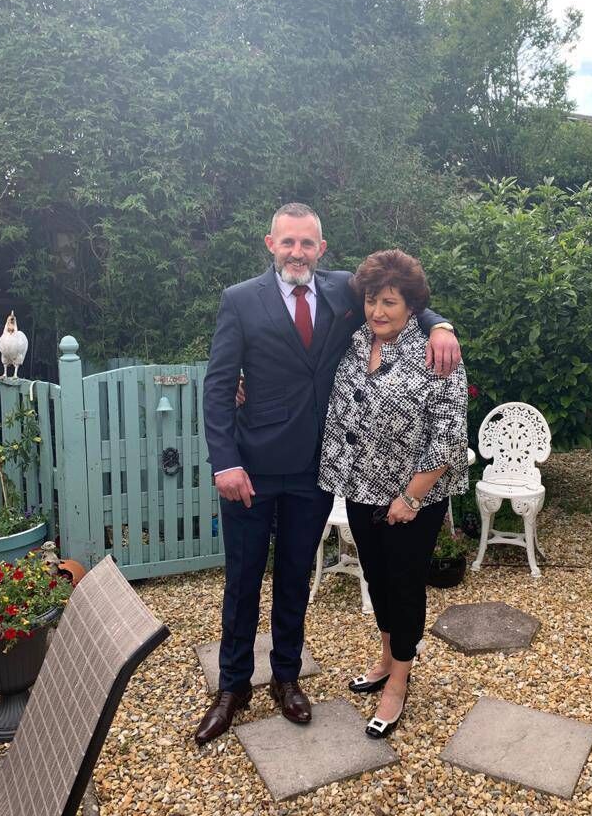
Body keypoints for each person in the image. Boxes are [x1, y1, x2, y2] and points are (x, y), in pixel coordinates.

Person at [195, 203, 461, 744]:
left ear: (322, 248)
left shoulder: (345, 291)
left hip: (313, 471)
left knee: (295, 578)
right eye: (288, 243)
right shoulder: (240, 300)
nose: (297, 253)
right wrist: (225, 461)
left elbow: (403, 302)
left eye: (307, 244)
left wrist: (441, 325)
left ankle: (288, 679)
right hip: (252, 468)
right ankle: (233, 686)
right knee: (244, 579)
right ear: (270, 243)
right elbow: (219, 385)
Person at [318, 249, 468, 738]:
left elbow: (447, 436)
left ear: (411, 306)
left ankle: (399, 682)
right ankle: (386, 658)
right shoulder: (356, 340)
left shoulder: (434, 351)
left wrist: (412, 497)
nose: (378, 312)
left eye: (389, 302)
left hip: (412, 495)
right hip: (362, 488)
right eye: (371, 301)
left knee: (404, 585)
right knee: (378, 579)